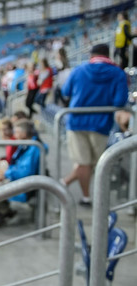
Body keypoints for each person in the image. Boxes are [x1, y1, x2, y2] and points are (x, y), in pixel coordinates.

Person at [61, 43, 128, 206]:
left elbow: (65, 92)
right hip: (101, 124)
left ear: (92, 55)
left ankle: (85, 196)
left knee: (83, 162)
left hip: (77, 122)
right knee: (96, 163)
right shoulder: (117, 73)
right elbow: (119, 101)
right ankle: (90, 192)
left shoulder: (79, 70)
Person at [0, 120, 46, 227]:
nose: (15, 135)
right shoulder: (27, 146)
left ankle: (3, 211)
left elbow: (24, 172)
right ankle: (1, 209)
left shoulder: (32, 149)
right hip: (18, 178)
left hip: (25, 186)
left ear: (24, 134)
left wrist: (6, 173)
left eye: (17, 132)